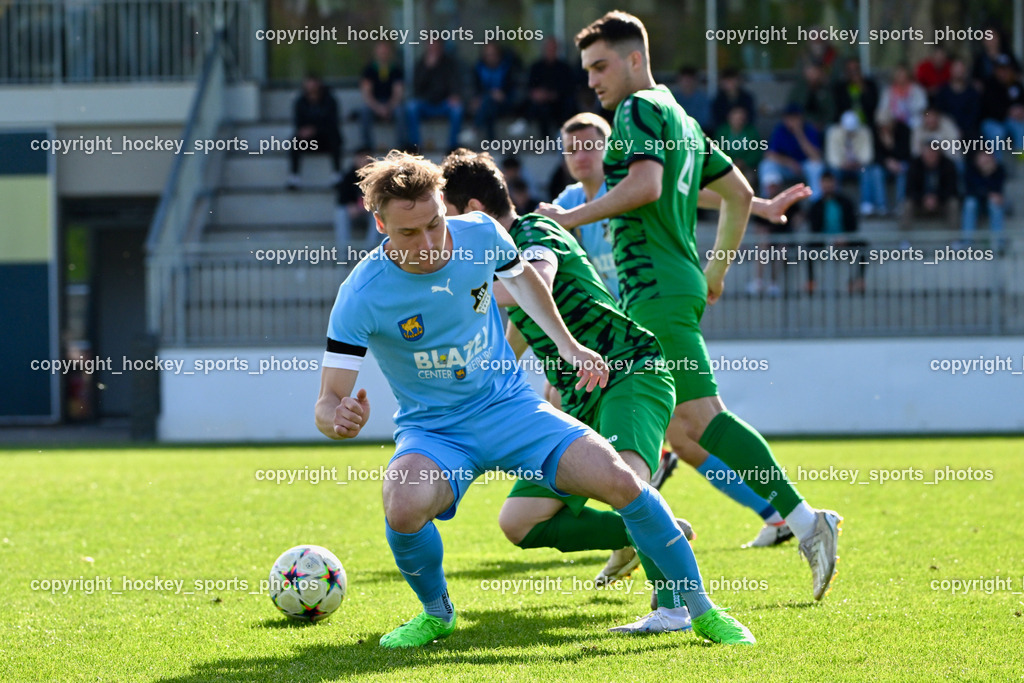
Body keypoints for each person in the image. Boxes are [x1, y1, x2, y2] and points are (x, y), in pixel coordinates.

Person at [314, 150, 756, 647]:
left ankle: (702, 611)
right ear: (380, 224)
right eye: (408, 234)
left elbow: (523, 278)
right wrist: (340, 419)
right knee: (402, 502)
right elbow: (328, 402)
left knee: (623, 482)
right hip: (435, 430)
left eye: (436, 224)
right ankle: (437, 614)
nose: (429, 243)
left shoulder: (480, 232)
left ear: (444, 205)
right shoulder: (362, 294)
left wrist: (568, 346)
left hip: (512, 410)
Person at [537, 11, 842, 601]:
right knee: (675, 425)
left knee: (694, 421)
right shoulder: (678, 114)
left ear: (633, 59)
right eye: (587, 70)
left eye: (600, 66)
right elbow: (737, 192)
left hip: (653, 289)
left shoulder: (636, 110)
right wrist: (716, 271)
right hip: (672, 286)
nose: (593, 81)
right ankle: (655, 553)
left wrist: (569, 219)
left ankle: (794, 526)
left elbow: (647, 187)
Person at [441, 148, 701, 634]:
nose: (444, 235)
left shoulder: (534, 234)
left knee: (632, 481)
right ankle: (654, 531)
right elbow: (522, 322)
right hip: (578, 396)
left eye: (447, 219)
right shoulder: (502, 254)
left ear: (474, 212)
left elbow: (535, 279)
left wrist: (457, 287)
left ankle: (675, 609)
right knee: (519, 521)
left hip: (628, 370)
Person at [555, 111, 810, 548]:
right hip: (616, 336)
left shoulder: (631, 187)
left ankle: (632, 532)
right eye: (570, 148)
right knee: (684, 434)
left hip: (648, 323)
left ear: (610, 147)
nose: (580, 155)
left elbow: (690, 191)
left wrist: (760, 207)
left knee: (679, 428)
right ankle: (776, 513)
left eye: (589, 144)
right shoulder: (568, 204)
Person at [806, 171, 868, 294]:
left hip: (845, 239)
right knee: (807, 249)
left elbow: (853, 225)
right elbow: (814, 229)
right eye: (825, 183)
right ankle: (811, 281)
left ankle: (858, 280)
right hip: (823, 242)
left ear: (835, 183)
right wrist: (827, 240)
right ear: (820, 184)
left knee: (863, 246)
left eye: (830, 183)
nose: (828, 186)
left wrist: (845, 237)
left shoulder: (846, 203)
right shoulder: (816, 205)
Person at [405, 41, 464, 152]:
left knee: (457, 109)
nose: (433, 48)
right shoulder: (421, 64)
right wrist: (428, 68)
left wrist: (455, 95)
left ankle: (453, 147)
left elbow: (456, 83)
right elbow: (416, 87)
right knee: (411, 107)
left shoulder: (449, 63)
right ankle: (415, 146)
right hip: (426, 104)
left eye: (436, 45)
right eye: (431, 45)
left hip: (444, 104)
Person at [286, 74, 342, 189]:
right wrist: (304, 131)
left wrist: (315, 130)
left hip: (326, 138)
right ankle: (294, 177)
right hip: (309, 141)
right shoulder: (300, 102)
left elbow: (332, 122)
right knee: (295, 141)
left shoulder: (330, 100)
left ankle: (337, 174)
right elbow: (298, 122)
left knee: (334, 137)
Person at [758, 102, 825, 198]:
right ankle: (769, 200)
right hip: (787, 167)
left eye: (795, 117)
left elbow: (816, 157)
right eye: (788, 117)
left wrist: (799, 133)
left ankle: (816, 202)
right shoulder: (780, 130)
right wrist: (789, 162)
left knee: (817, 167)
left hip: (804, 166)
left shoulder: (809, 129)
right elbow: (769, 154)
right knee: (766, 165)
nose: (791, 121)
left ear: (801, 117)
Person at [826, 110, 885, 215]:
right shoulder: (833, 132)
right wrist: (842, 164)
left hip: (859, 167)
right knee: (833, 172)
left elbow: (868, 156)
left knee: (866, 170)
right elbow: (832, 157)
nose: (850, 133)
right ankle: (836, 203)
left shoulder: (865, 132)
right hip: (840, 167)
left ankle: (866, 204)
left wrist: (858, 163)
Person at [902, 142, 960, 234]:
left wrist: (936, 198)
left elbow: (952, 189)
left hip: (941, 203)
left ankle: (954, 238)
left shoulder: (948, 165)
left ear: (939, 154)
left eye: (933, 153)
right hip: (920, 203)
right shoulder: (914, 165)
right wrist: (924, 198)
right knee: (907, 205)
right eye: (928, 153)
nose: (930, 156)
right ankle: (905, 239)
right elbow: (910, 190)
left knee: (953, 203)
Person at [525, 39, 578, 138]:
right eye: (548, 48)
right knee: (539, 109)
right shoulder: (536, 67)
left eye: (553, 48)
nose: (550, 51)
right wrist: (539, 95)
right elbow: (530, 87)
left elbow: (569, 87)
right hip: (540, 103)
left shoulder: (564, 68)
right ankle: (544, 139)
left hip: (560, 102)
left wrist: (553, 95)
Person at [358, 42, 406, 151]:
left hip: (391, 104)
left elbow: (398, 93)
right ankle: (367, 146)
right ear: (376, 52)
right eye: (381, 51)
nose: (383, 53)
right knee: (364, 111)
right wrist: (378, 108)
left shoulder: (396, 70)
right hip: (375, 104)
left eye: (385, 51)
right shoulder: (369, 69)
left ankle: (402, 146)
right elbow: (366, 94)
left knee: (401, 111)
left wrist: (389, 107)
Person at [472, 43, 519, 141]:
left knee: (488, 103)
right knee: (488, 105)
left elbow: (512, 89)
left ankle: (475, 129)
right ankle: (491, 140)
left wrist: (503, 95)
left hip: (504, 103)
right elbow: (475, 89)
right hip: (486, 104)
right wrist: (477, 98)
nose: (491, 57)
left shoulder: (507, 68)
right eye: (488, 54)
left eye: (493, 54)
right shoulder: (479, 68)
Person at [959, 151, 1006, 251]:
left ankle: (997, 242)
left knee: (995, 204)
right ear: (977, 159)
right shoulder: (970, 170)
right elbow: (970, 190)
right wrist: (987, 193)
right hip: (976, 202)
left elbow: (998, 190)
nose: (985, 160)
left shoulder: (999, 170)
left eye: (988, 157)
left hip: (989, 203)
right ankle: (967, 241)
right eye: (982, 157)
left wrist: (988, 174)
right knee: (970, 203)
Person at [334, 147, 378, 251]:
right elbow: (341, 197)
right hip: (353, 211)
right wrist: (350, 205)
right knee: (340, 213)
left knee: (380, 213)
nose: (363, 161)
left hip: (369, 211)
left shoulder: (377, 177)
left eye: (366, 158)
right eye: (360, 157)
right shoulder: (347, 176)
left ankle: (369, 250)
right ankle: (343, 252)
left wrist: (368, 205)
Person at [670, 66, 712, 134]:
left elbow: (705, 121)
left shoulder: (703, 98)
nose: (687, 83)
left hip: (699, 134)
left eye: (689, 80)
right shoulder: (673, 98)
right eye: (684, 80)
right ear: (679, 81)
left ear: (695, 81)